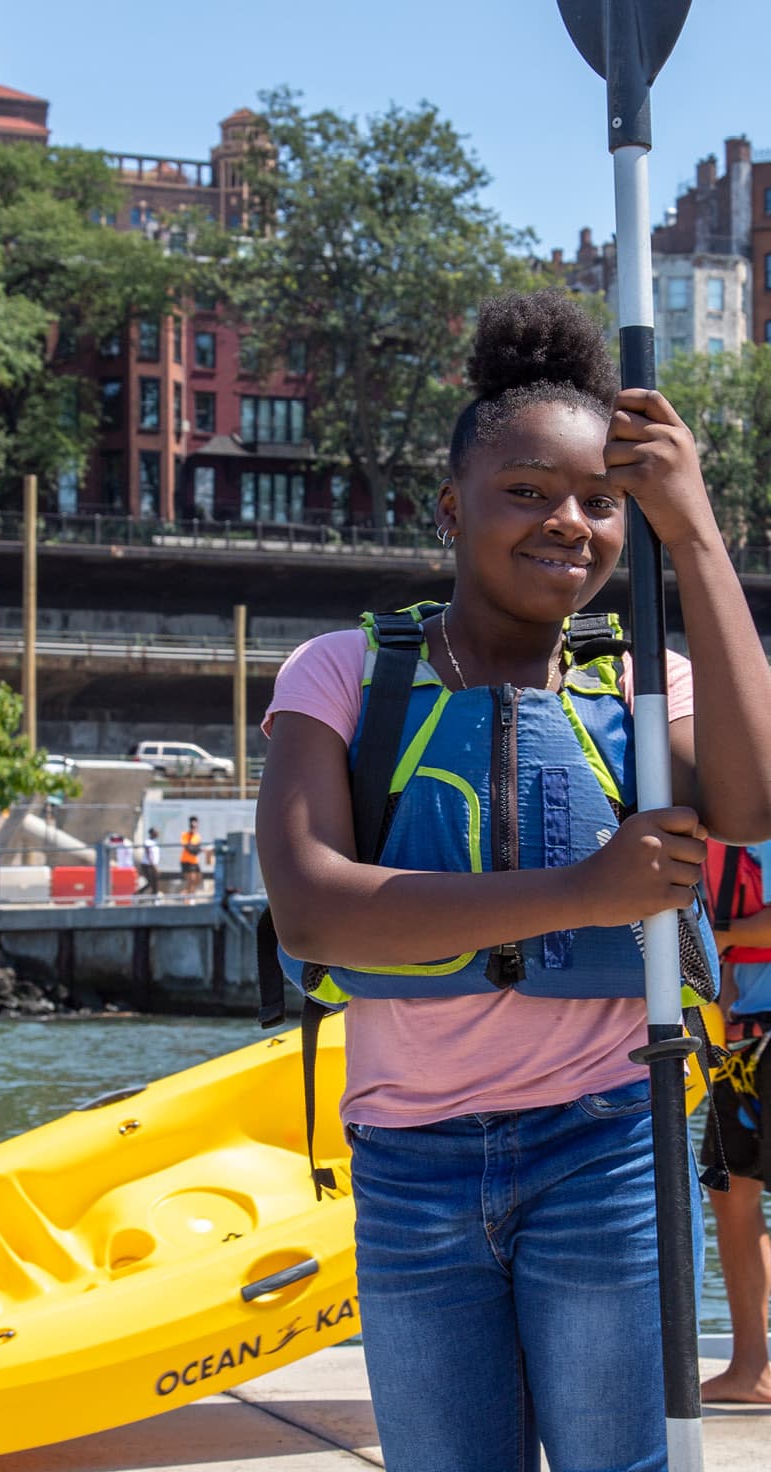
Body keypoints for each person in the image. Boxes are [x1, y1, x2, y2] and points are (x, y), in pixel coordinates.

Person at [256, 287, 771, 1472]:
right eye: (529, 494)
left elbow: (750, 804)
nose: (571, 525)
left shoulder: (640, 680)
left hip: (604, 1145)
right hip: (409, 1158)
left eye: (602, 501)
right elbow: (315, 905)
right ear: (452, 507)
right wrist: (584, 891)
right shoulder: (341, 673)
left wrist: (693, 533)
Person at [700, 840, 771, 1406]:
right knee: (732, 1196)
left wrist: (718, 938)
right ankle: (752, 1367)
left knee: (737, 1196)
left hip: (759, 1038)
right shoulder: (726, 822)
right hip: (741, 1039)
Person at [180, 815, 203, 897]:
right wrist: (194, 848)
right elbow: (187, 847)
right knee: (191, 880)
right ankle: (189, 897)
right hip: (186, 860)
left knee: (198, 879)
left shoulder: (197, 836)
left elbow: (197, 849)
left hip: (194, 861)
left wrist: (194, 849)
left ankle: (187, 893)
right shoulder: (185, 835)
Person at [139, 826, 160, 897]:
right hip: (147, 865)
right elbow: (148, 855)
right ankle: (138, 893)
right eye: (155, 832)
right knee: (151, 882)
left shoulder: (155, 842)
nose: (157, 833)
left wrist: (155, 866)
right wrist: (154, 866)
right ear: (152, 833)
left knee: (155, 881)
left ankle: (155, 898)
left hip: (153, 865)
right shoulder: (148, 842)